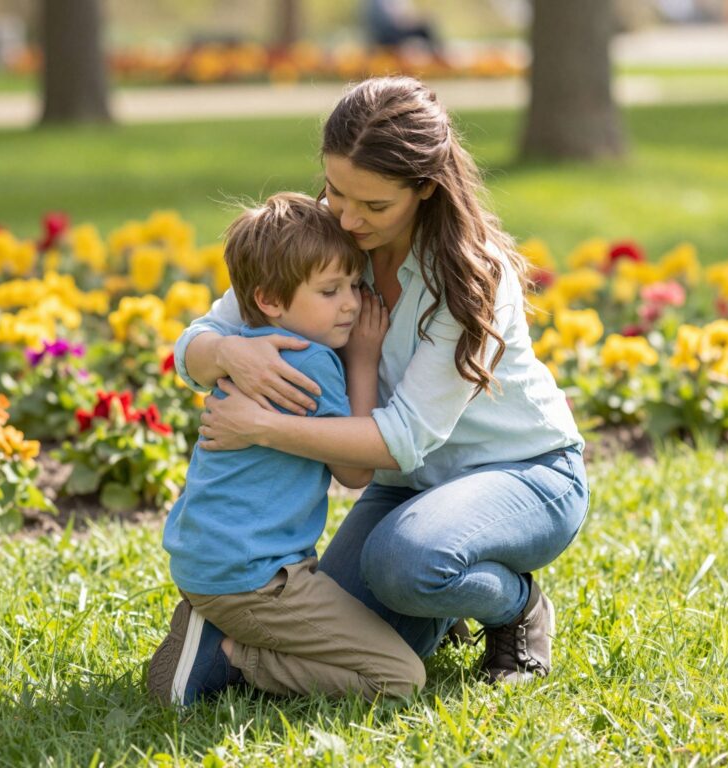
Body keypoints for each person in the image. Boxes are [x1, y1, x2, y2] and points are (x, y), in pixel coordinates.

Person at [175, 77, 590, 684]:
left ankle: (516, 608)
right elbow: (195, 343)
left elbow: (401, 441)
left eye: (374, 206)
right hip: (406, 493)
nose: (347, 218)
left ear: (425, 188)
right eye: (337, 192)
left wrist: (262, 425)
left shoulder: (472, 275)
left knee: (405, 565)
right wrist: (229, 353)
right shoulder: (324, 237)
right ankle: (439, 604)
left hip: (523, 473)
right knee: (350, 632)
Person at [148, 192, 425, 705]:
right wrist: (362, 359)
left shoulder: (254, 349)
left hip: (213, 561)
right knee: (398, 679)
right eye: (329, 290)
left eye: (353, 284)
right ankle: (229, 656)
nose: (350, 303)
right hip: (254, 579)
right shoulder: (312, 361)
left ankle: (215, 630)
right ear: (271, 300)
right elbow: (354, 471)